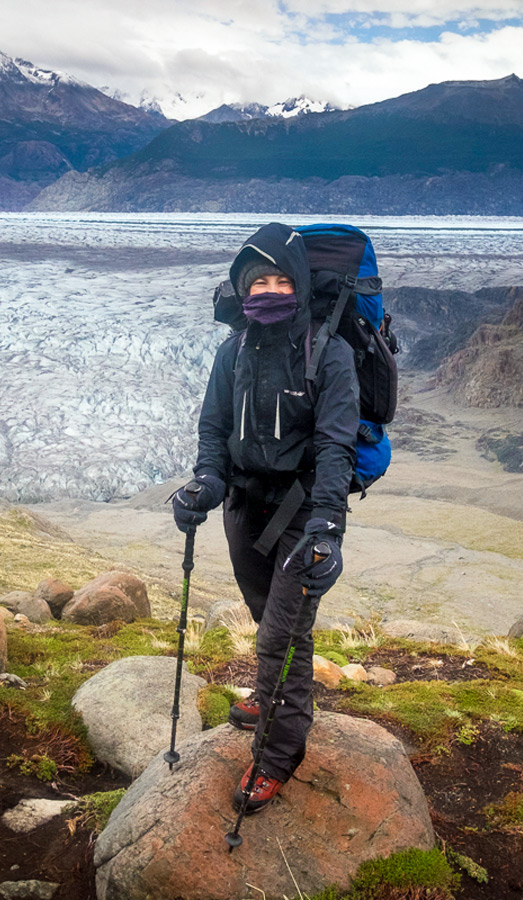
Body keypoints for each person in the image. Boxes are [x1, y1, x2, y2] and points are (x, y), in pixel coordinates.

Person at [171, 222, 359, 813]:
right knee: (264, 617)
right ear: (242, 288)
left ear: (299, 285)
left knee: (283, 635)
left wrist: (328, 524)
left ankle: (276, 758)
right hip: (246, 507)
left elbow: (336, 446)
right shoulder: (235, 351)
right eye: (259, 281)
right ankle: (270, 692)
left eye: (282, 279)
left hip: (304, 512)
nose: (271, 290)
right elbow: (214, 430)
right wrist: (206, 482)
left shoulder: (330, 354)